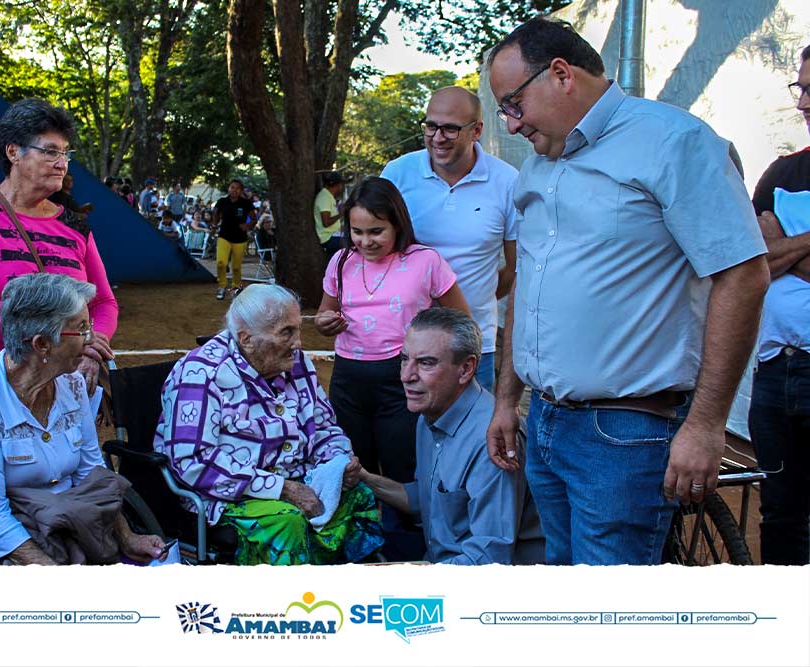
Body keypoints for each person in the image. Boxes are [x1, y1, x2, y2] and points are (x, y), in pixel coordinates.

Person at [485, 17, 769, 565]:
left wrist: (707, 424)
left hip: (625, 431)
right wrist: (505, 399)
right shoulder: (540, 166)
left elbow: (742, 274)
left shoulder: (674, 141)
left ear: (561, 75)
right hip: (545, 419)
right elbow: (529, 282)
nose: (512, 125)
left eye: (513, 105)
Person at [0, 273, 165, 565]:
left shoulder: (72, 384)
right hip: (12, 536)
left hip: (69, 521)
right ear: (42, 345)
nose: (92, 340)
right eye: (82, 330)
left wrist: (126, 537)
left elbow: (92, 474)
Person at [154, 284, 384, 565]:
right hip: (229, 495)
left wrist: (339, 462)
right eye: (286, 332)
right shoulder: (202, 374)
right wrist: (281, 488)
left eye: (298, 329)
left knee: (359, 496)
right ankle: (285, 605)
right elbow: (193, 461)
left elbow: (322, 426)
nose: (298, 343)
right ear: (246, 338)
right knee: (286, 524)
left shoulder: (296, 363)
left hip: (299, 479)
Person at [314, 177, 470, 540]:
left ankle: (410, 550)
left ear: (397, 224)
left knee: (404, 470)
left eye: (376, 231)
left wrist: (437, 360)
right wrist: (325, 323)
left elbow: (461, 320)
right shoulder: (341, 262)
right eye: (357, 231)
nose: (365, 241)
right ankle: (360, 547)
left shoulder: (424, 260)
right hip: (349, 379)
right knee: (351, 469)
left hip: (405, 381)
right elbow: (325, 316)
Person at [0, 98, 118, 392]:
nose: (61, 164)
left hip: (65, 385)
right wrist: (64, 335)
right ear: (13, 152)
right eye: (49, 152)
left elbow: (104, 303)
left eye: (65, 153)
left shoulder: (74, 225)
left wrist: (91, 343)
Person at [358, 308, 543, 564]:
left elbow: (488, 558)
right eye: (404, 359)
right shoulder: (429, 414)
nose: (406, 376)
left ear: (466, 369)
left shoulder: (490, 440)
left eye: (425, 363)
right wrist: (365, 480)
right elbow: (430, 501)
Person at [382, 86, 517, 392]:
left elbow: (514, 268)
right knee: (401, 437)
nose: (438, 137)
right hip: (402, 340)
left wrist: (464, 301)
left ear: (477, 131)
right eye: (431, 125)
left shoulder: (507, 182)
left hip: (470, 344)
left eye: (451, 129)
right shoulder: (397, 174)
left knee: (468, 434)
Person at [747, 42, 810, 566]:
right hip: (774, 369)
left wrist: (786, 241)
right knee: (780, 511)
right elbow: (752, 265)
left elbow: (773, 253)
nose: (803, 102)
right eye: (802, 87)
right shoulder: (781, 174)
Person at [211, 178, 256, 300]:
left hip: (240, 238)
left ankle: (236, 288)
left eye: (237, 188)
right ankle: (222, 286)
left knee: (236, 267)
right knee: (221, 263)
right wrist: (214, 225)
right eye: (232, 187)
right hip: (224, 236)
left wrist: (247, 225)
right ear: (229, 189)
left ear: (241, 191)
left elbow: (254, 219)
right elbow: (216, 213)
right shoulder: (222, 201)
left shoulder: (246, 203)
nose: (234, 190)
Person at [314, 171, 344, 261]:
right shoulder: (324, 197)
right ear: (338, 185)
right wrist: (341, 214)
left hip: (332, 235)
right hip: (328, 237)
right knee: (355, 242)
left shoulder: (328, 196)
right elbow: (326, 222)